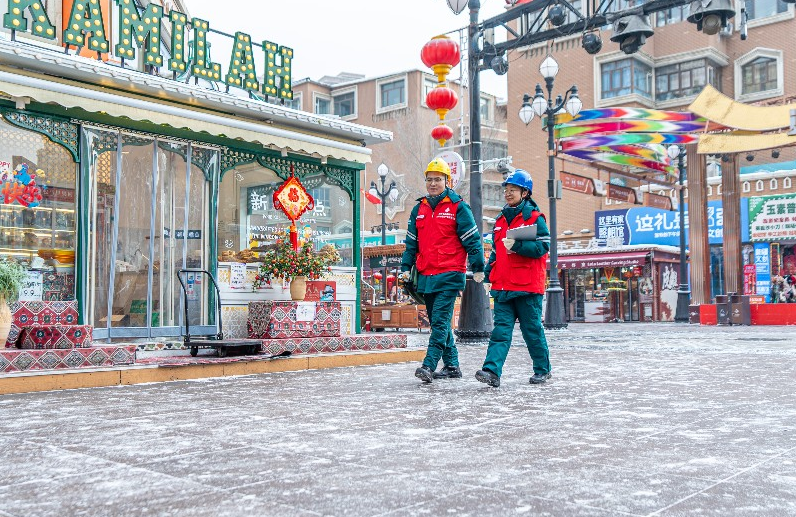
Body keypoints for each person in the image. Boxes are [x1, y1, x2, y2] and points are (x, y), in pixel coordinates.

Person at [400, 158, 485, 383]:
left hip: (449, 273)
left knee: (438, 322)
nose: (433, 183)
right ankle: (452, 366)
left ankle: (428, 365)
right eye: (429, 180)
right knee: (441, 322)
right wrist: (405, 268)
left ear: (448, 181)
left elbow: (473, 240)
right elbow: (411, 244)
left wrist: (478, 267)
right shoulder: (419, 209)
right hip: (426, 276)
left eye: (438, 179)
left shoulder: (459, 207)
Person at [475, 169, 552, 388]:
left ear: (525, 193)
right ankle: (491, 371)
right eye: (507, 190)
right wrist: (489, 275)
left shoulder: (535, 218)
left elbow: (543, 246)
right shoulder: (500, 220)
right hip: (503, 286)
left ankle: (543, 370)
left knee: (532, 331)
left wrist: (518, 245)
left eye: (513, 190)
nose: (508, 194)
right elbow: (496, 253)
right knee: (500, 332)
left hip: (527, 287)